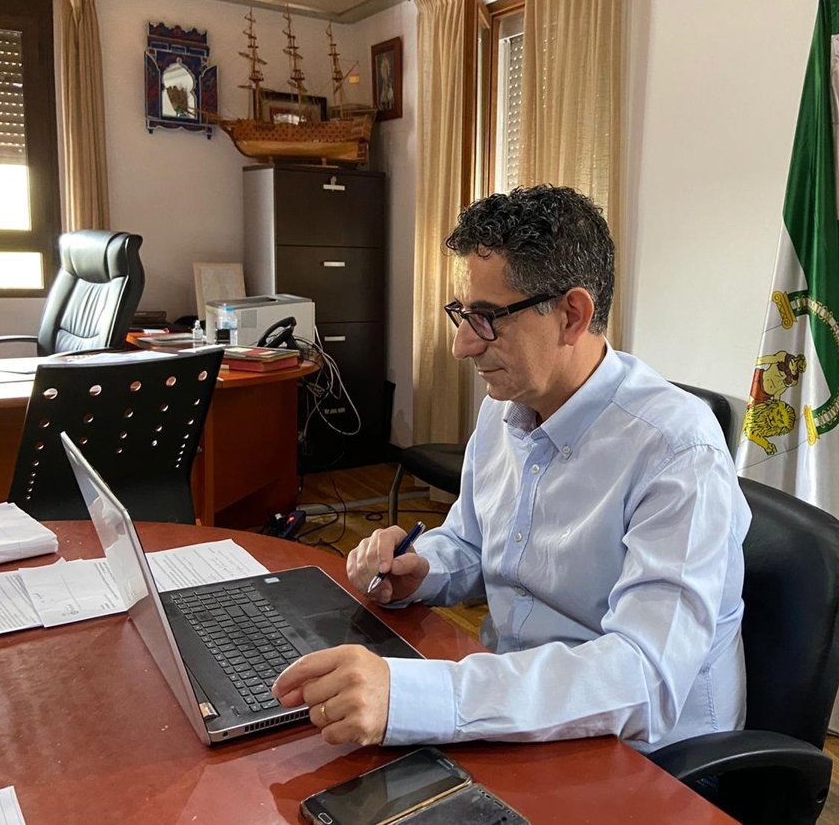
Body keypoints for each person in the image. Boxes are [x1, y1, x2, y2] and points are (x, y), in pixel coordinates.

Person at [273, 185, 751, 753]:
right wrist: (421, 568)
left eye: (485, 318)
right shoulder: (505, 408)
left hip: (644, 755)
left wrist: (419, 695)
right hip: (518, 710)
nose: (461, 346)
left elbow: (641, 677)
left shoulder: (678, 450)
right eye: (462, 314)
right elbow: (472, 542)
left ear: (572, 315)